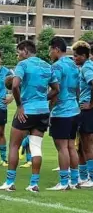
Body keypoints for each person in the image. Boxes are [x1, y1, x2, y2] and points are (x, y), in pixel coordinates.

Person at [0, 40, 59, 192]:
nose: (18, 56)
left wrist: (19, 106)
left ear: (25, 51)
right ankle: (34, 183)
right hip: (42, 112)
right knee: (36, 147)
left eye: (18, 52)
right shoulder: (47, 66)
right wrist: (43, 100)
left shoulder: (23, 65)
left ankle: (10, 182)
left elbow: (15, 85)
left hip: (27, 111)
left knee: (14, 145)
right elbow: (56, 89)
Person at [47, 37, 80, 190]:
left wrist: (48, 106)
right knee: (71, 146)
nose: (49, 53)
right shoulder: (74, 65)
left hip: (62, 112)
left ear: (56, 49)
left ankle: (64, 182)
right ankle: (74, 180)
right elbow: (78, 89)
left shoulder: (57, 67)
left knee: (62, 147)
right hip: (74, 110)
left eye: (50, 49)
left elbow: (56, 90)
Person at [72, 41, 93, 188]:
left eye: (76, 56)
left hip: (87, 110)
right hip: (82, 109)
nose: (74, 58)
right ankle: (84, 176)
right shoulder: (84, 67)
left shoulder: (87, 67)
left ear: (85, 56)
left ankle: (91, 177)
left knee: (87, 144)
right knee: (80, 146)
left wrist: (91, 104)